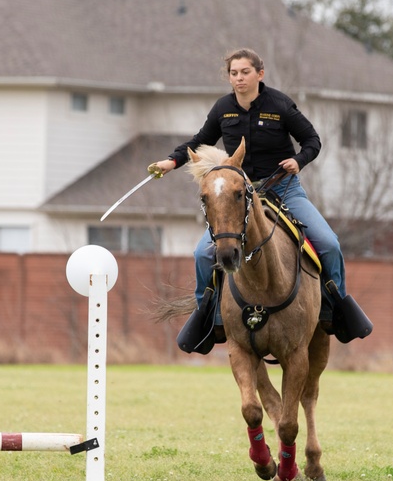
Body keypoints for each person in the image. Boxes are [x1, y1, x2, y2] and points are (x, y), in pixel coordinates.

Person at [150, 48, 372, 353]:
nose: (239, 78)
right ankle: (209, 317)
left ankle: (335, 309)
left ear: (259, 74)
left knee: (329, 244)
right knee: (203, 254)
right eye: (234, 73)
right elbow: (198, 142)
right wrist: (171, 162)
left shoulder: (280, 104)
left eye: (245, 72)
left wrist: (299, 160)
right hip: (240, 195)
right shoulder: (223, 109)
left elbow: (312, 140)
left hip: (284, 190)